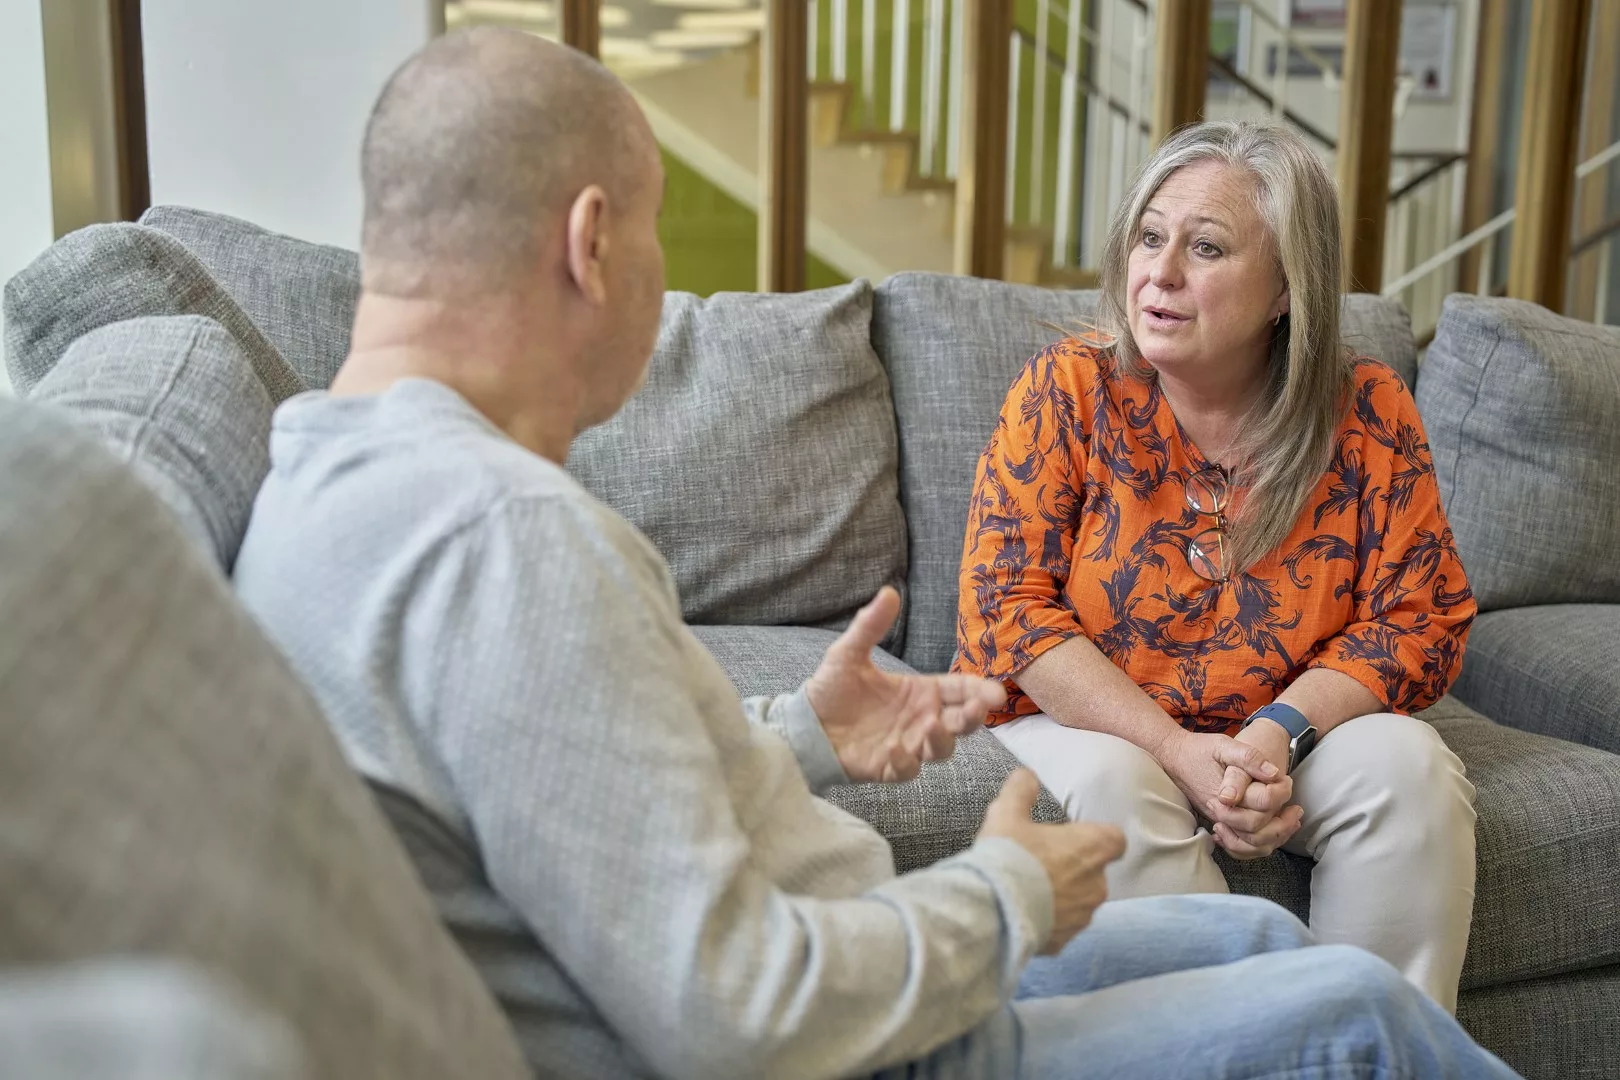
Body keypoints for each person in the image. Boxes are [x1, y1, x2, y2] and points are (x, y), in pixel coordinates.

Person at [233, 29, 1516, 1079]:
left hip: (865, 969)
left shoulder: (325, 484)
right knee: (1356, 1012)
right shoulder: (512, 545)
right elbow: (736, 1012)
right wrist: (1006, 890)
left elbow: (568, 788)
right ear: (591, 241)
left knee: (1247, 931)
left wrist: (800, 733)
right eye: (662, 226)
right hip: (892, 1038)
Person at [954, 119, 1479, 1012]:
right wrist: (1172, 748)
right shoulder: (1068, 391)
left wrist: (1274, 733)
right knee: (1126, 786)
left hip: (1277, 732)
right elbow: (1007, 613)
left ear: (1285, 289)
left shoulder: (1368, 412)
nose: (1158, 273)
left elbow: (1418, 620)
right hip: (1096, 727)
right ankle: (1268, 1050)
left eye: (1205, 248)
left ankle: (1374, 1055)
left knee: (1410, 770)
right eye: (1150, 238)